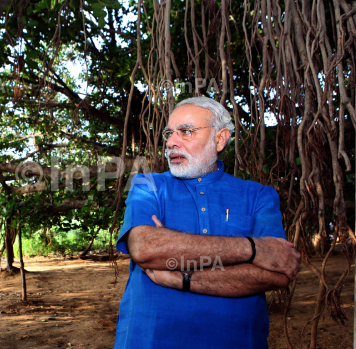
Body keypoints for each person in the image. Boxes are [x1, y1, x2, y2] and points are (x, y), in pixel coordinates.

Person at [114, 97, 301, 349]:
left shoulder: (257, 195)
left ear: (220, 139)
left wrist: (180, 278)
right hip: (150, 340)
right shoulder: (147, 185)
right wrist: (252, 248)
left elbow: (276, 274)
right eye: (169, 133)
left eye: (186, 132)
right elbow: (146, 249)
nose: (171, 142)